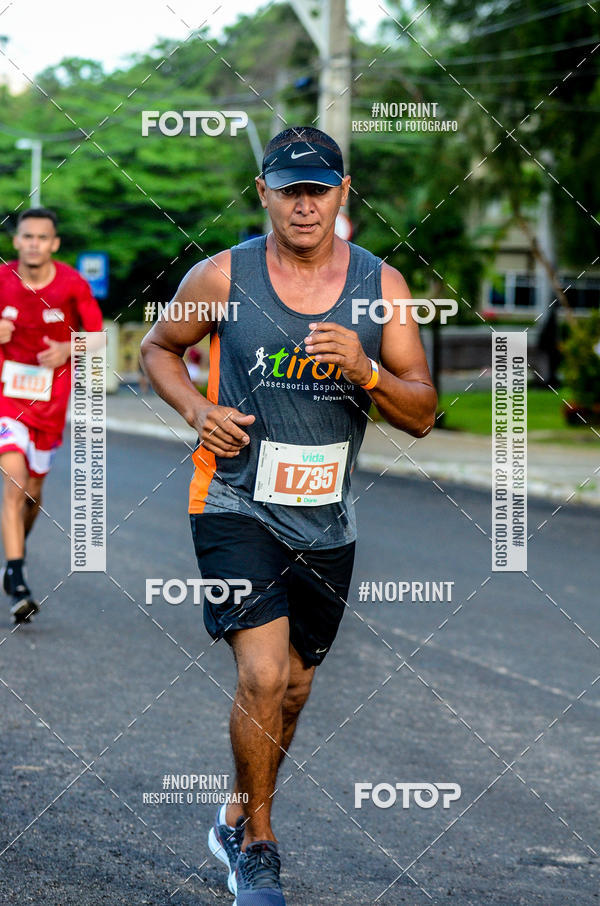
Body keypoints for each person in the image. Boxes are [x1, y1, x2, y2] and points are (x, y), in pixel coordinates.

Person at [141, 126, 437, 905]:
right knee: (263, 672)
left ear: (343, 193)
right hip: (233, 499)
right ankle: (260, 848)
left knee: (296, 689)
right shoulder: (221, 276)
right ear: (264, 193)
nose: (303, 205)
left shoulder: (383, 286)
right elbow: (157, 347)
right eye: (288, 189)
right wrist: (196, 408)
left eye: (319, 189)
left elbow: (424, 413)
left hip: (326, 521)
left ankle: (237, 811)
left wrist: (368, 370)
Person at [0, 207, 103, 622]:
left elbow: (96, 337)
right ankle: (19, 579)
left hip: (50, 403)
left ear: (54, 243)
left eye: (42, 237)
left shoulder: (71, 285)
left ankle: (11, 560)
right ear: (16, 241)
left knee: (32, 494)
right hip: (6, 399)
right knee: (13, 483)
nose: (34, 244)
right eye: (27, 236)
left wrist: (66, 349)